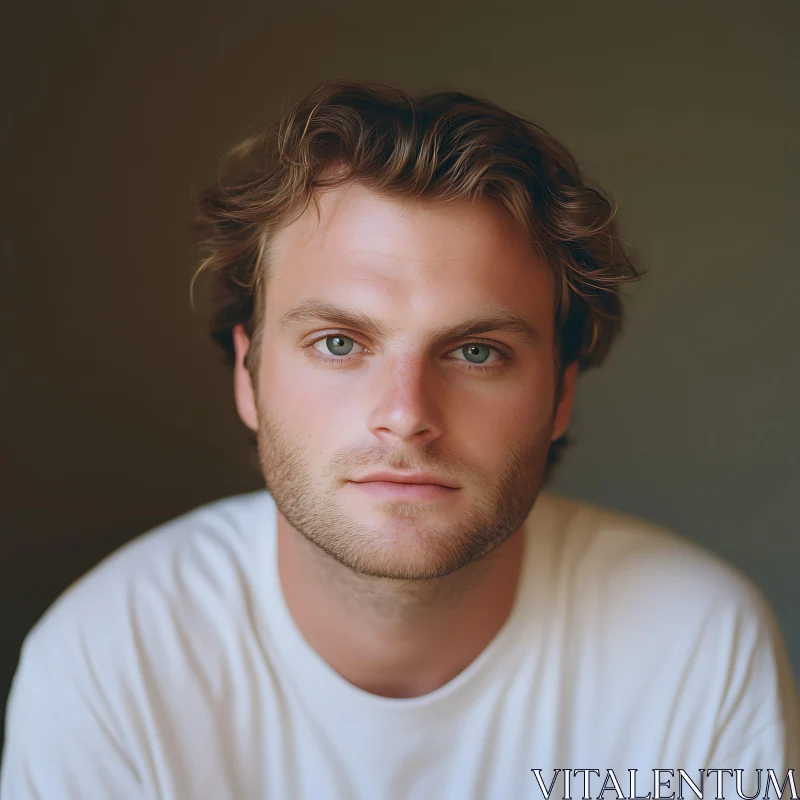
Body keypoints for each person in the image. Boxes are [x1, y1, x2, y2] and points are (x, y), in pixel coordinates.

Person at [2, 79, 797, 800]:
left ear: (560, 394)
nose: (406, 413)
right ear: (249, 375)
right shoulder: (109, 659)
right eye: (340, 343)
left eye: (476, 351)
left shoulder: (696, 645)